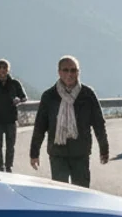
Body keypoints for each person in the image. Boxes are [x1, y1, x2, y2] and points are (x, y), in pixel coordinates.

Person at [29, 55, 109, 187]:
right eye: (65, 70)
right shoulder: (49, 96)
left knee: (81, 192)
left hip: (80, 153)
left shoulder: (87, 95)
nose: (69, 74)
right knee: (60, 193)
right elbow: (40, 126)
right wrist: (34, 153)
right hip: (57, 154)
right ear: (59, 72)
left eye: (73, 70)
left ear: (78, 72)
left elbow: (99, 124)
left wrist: (104, 150)